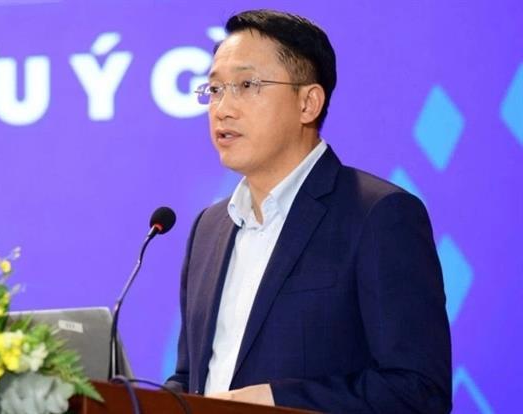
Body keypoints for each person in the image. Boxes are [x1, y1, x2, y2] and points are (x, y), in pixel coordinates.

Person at [166, 9, 452, 414]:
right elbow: (192, 378)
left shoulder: (379, 216)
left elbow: (418, 391)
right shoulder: (209, 228)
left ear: (308, 103)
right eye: (214, 89)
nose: (222, 109)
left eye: (246, 85)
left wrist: (275, 401)